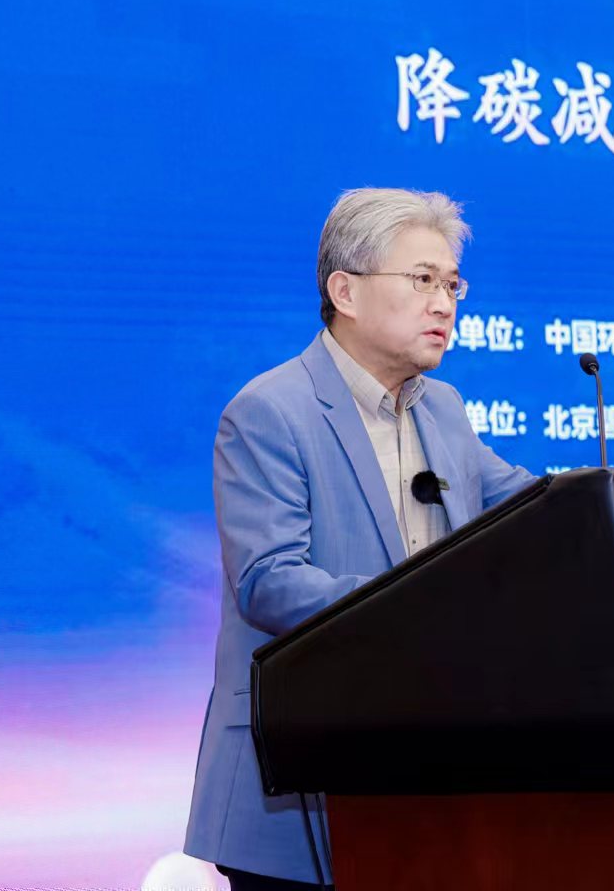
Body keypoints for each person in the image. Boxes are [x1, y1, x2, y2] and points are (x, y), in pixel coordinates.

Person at [184, 188, 536, 888]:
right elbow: (270, 582)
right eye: (422, 279)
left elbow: (531, 510)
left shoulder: (443, 409)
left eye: (452, 284)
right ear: (345, 291)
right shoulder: (269, 412)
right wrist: (423, 606)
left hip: (421, 781)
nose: (444, 304)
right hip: (297, 784)